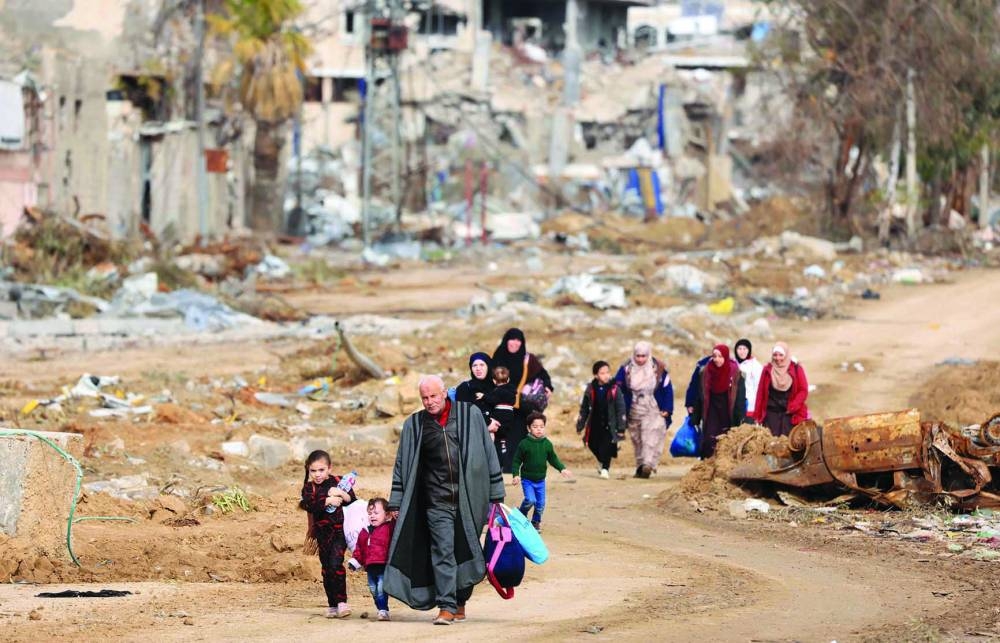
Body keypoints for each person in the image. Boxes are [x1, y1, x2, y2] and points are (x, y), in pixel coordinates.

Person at [384, 375, 505, 626]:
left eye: (433, 396)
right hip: (435, 502)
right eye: (424, 398)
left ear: (444, 394)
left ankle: (460, 602)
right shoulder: (414, 425)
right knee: (443, 551)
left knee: (465, 549)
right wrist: (395, 502)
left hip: (470, 498)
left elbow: (488, 452)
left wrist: (496, 493)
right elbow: (401, 466)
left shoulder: (469, 415)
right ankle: (447, 606)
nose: (429, 402)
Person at [300, 450, 357, 618]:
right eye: (313, 471)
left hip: (340, 531)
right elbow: (308, 505)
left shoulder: (339, 482)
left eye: (321, 470)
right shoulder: (309, 488)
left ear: (329, 468)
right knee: (326, 569)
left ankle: (342, 602)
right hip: (322, 534)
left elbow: (353, 501)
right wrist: (327, 500)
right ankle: (332, 604)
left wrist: (342, 494)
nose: (317, 475)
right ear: (308, 470)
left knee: (335, 564)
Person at [615, 341, 674, 479]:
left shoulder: (658, 368)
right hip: (633, 407)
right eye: (638, 356)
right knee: (637, 439)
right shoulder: (626, 368)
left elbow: (667, 389)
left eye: (644, 356)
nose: (640, 359)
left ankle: (648, 464)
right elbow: (618, 388)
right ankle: (640, 466)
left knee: (651, 434)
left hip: (652, 406)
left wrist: (667, 407)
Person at [511, 411, 573, 532]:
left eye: (541, 427)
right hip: (527, 480)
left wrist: (562, 469)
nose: (539, 429)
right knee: (530, 500)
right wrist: (516, 475)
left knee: (540, 504)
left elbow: (553, 459)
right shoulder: (524, 444)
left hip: (540, 481)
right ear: (528, 428)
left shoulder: (547, 444)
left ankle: (535, 522)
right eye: (535, 427)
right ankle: (520, 515)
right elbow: (516, 461)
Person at [576, 360, 627, 479]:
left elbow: (621, 408)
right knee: (592, 444)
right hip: (594, 423)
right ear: (596, 375)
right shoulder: (590, 389)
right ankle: (601, 461)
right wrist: (580, 425)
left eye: (607, 372)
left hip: (610, 424)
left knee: (607, 446)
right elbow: (584, 408)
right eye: (602, 373)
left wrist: (621, 427)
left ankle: (605, 468)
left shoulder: (615, 389)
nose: (606, 375)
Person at [697, 344, 747, 459]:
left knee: (727, 440)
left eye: (720, 356)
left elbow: (740, 398)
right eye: (714, 356)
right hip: (711, 412)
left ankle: (724, 468)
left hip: (728, 413)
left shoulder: (736, 374)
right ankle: (708, 468)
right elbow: (700, 396)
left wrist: (741, 418)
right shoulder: (705, 372)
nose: (717, 359)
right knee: (710, 440)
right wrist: (695, 416)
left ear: (726, 356)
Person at [491, 327, 553, 415]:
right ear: (506, 340)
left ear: (522, 342)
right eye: (512, 339)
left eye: (518, 340)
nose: (515, 343)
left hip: (521, 408)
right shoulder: (498, 356)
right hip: (500, 406)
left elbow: (543, 374)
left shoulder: (528, 359)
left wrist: (548, 386)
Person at [753, 342, 810, 437]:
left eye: (781, 355)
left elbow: (803, 390)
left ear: (786, 355)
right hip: (771, 415)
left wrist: (793, 406)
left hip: (790, 414)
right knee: (771, 443)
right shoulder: (767, 370)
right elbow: (761, 393)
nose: (778, 358)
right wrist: (757, 416)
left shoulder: (796, 368)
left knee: (789, 443)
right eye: (775, 355)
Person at [354, 497, 396, 622]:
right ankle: (380, 609)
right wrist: (355, 561)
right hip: (370, 567)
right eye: (370, 513)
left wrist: (394, 515)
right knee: (373, 590)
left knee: (381, 589)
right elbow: (359, 548)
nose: (372, 516)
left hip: (383, 565)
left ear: (386, 515)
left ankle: (384, 610)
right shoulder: (365, 531)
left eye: (376, 513)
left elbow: (396, 525)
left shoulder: (388, 528)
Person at [483, 365, 519, 472]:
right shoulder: (512, 391)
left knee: (494, 433)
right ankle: (504, 452)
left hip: (499, 414)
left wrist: (484, 396)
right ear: (508, 380)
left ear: (494, 381)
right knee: (504, 438)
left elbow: (492, 400)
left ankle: (495, 454)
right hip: (510, 415)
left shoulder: (497, 391)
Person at [454, 352, 495, 421]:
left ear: (488, 366)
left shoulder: (497, 387)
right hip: (475, 430)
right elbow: (463, 415)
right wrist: (488, 424)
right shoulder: (464, 388)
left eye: (482, 365)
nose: (478, 368)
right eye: (474, 365)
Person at [734, 338, 763, 418]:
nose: (742, 351)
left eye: (744, 349)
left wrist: (756, 406)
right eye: (739, 349)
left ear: (749, 350)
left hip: (750, 404)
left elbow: (758, 387)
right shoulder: (733, 364)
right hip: (734, 404)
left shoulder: (755, 366)